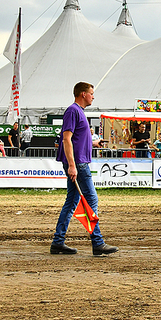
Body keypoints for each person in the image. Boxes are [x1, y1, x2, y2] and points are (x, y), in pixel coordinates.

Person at [51, 82, 118, 256]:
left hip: (78, 162)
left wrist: (94, 143)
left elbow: (77, 139)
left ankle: (58, 242)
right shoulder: (73, 111)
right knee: (91, 199)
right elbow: (66, 139)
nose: (93, 96)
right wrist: (72, 165)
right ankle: (97, 243)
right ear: (83, 94)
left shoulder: (78, 112)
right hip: (78, 164)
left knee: (71, 202)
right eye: (91, 93)